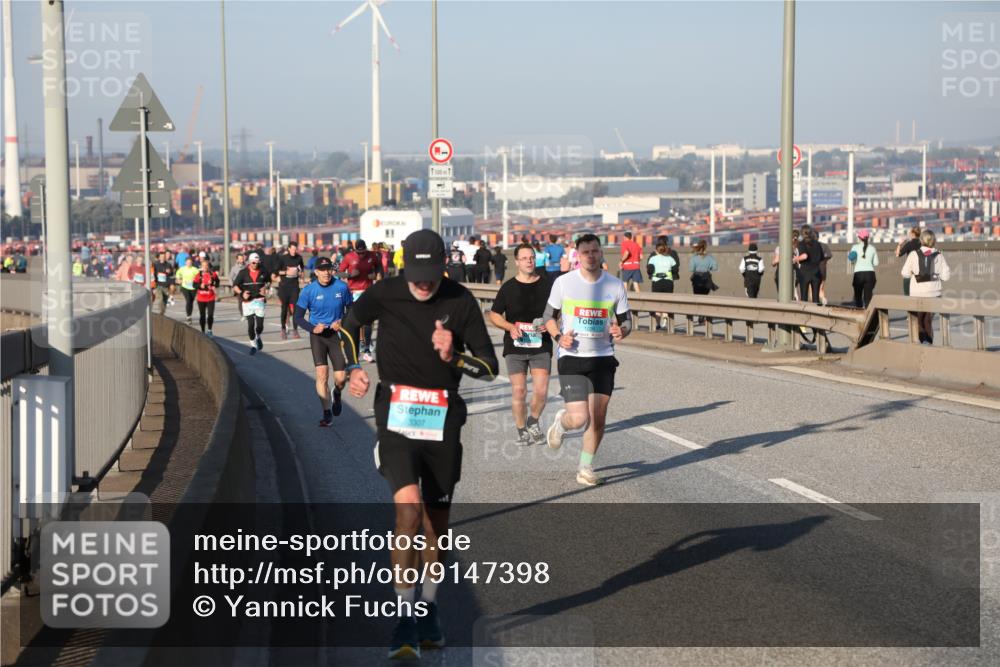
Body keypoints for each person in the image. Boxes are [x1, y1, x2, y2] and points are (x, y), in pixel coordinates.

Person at [341, 229, 498, 659]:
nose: (424, 283)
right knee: (407, 511)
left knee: (436, 525)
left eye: (432, 274)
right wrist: (353, 367)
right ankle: (403, 618)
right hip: (396, 411)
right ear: (402, 265)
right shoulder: (384, 292)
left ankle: (427, 607)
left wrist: (455, 357)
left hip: (444, 418)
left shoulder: (460, 301)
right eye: (417, 273)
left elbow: (488, 366)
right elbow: (351, 326)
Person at [544, 233, 632, 487]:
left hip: (603, 357)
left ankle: (585, 467)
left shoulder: (615, 285)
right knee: (579, 417)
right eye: (586, 252)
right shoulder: (563, 283)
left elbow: (627, 320)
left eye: (595, 251)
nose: (591, 256)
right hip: (572, 356)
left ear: (601, 252)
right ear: (577, 255)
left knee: (598, 417)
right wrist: (559, 336)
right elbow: (548, 316)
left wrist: (621, 330)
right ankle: (562, 422)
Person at [488, 243, 553, 446]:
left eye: (531, 257)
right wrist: (510, 327)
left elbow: (559, 312)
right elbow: (494, 314)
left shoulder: (547, 285)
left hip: (540, 345)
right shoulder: (508, 287)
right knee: (519, 391)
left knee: (541, 391)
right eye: (524, 258)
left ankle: (533, 422)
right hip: (515, 346)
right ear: (516, 262)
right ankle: (521, 430)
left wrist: (550, 325)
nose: (529, 261)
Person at [294, 257, 353, 426]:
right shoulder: (308, 291)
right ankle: (327, 413)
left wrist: (342, 321)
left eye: (329, 269)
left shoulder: (341, 287)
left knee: (341, 378)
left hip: (335, 335)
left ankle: (337, 393)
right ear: (316, 272)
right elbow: (298, 317)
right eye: (322, 269)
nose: (326, 272)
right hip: (318, 336)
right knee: (322, 375)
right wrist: (312, 328)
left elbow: (351, 309)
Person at [901, 229, 950, 344]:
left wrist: (914, 273)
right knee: (928, 320)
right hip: (934, 293)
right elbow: (946, 276)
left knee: (918, 320)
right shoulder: (939, 255)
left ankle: (923, 341)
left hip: (917, 293)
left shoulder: (914, 254)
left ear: (921, 240)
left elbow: (905, 273)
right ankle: (928, 342)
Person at [339, 239, 381, 361]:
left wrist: (377, 275)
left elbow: (378, 266)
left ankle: (367, 350)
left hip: (367, 291)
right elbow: (338, 272)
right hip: (352, 292)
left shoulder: (372, 255)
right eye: (359, 252)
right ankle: (353, 352)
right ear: (355, 250)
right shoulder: (348, 257)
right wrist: (350, 275)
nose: (361, 255)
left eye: (363, 252)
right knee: (354, 323)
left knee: (368, 322)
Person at [233, 252, 272, 355]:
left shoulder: (263, 271)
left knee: (260, 326)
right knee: (251, 325)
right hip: (248, 301)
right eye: (253, 262)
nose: (255, 264)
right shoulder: (242, 273)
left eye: (257, 262)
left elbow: (269, 281)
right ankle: (253, 345)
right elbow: (235, 286)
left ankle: (258, 336)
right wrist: (242, 293)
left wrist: (266, 288)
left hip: (260, 300)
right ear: (250, 262)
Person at [276, 241, 306, 340]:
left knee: (296, 309)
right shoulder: (282, 258)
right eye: (292, 249)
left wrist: (301, 275)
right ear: (288, 249)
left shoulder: (299, 258)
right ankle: (283, 329)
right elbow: (276, 272)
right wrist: (286, 272)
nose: (294, 251)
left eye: (295, 249)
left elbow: (302, 270)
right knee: (284, 308)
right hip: (284, 287)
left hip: (294, 287)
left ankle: (295, 330)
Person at [849, 229, 879, 309]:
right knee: (868, 298)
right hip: (870, 274)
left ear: (859, 238)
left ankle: (859, 316)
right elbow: (876, 263)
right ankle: (869, 317)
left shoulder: (854, 247)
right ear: (868, 237)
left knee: (858, 297)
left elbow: (852, 260)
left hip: (858, 274)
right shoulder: (872, 248)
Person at [795, 225, 824, 304]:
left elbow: (804, 256)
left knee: (804, 297)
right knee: (816, 298)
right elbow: (822, 257)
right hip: (816, 272)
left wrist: (795, 259)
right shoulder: (817, 244)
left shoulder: (801, 244)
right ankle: (816, 313)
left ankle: (805, 314)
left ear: (802, 233)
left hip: (804, 273)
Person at [193, 257, 220, 336]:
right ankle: (202, 330)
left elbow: (217, 283)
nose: (205, 267)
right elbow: (194, 285)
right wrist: (200, 285)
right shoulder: (199, 275)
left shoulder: (213, 274)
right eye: (203, 266)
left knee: (210, 315)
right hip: (201, 299)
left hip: (210, 298)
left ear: (208, 266)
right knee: (202, 315)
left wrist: (214, 284)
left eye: (206, 266)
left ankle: (209, 330)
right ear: (201, 266)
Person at [896, 226, 922, 296]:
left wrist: (899, 244)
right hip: (921, 272)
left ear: (912, 233)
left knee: (908, 295)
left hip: (910, 272)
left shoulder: (909, 244)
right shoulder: (922, 244)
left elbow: (898, 255)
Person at [175, 256, 200, 325]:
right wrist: (178, 279)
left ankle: (189, 316)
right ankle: (188, 317)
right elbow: (177, 274)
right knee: (188, 300)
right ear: (185, 262)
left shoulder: (195, 269)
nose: (189, 263)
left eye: (190, 262)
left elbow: (199, 277)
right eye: (187, 262)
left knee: (191, 302)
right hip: (185, 287)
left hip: (193, 288)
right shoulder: (182, 269)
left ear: (192, 263)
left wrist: (197, 282)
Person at [152, 251, 175, 316]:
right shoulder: (155, 264)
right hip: (158, 285)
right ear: (159, 257)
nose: (162, 258)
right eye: (161, 256)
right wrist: (153, 285)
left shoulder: (168, 265)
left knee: (165, 300)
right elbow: (152, 274)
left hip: (166, 285)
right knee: (160, 298)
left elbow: (172, 275)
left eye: (164, 256)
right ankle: (161, 312)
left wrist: (169, 272)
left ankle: (162, 313)